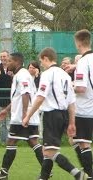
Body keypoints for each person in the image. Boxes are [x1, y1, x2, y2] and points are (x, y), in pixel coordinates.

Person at [22, 47, 86, 180]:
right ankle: (43, 177)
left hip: (51, 115)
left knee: (49, 151)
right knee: (48, 151)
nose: (42, 65)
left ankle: (77, 174)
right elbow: (71, 102)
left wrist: (28, 115)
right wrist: (72, 122)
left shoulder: (47, 74)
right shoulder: (65, 75)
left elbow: (40, 97)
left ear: (46, 58)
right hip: (63, 115)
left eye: (41, 61)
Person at [0, 53, 43, 179]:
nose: (7, 63)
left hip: (21, 117)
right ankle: (46, 171)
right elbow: (18, 97)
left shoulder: (22, 74)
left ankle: (3, 173)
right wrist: (6, 110)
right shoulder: (19, 74)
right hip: (25, 115)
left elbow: (26, 94)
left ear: (17, 62)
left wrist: (24, 115)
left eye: (10, 61)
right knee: (32, 141)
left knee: (11, 141)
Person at [72, 29, 93, 179]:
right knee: (74, 139)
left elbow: (80, 88)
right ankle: (87, 170)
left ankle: (89, 174)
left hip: (85, 108)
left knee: (83, 143)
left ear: (78, 43)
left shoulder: (83, 62)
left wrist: (68, 88)